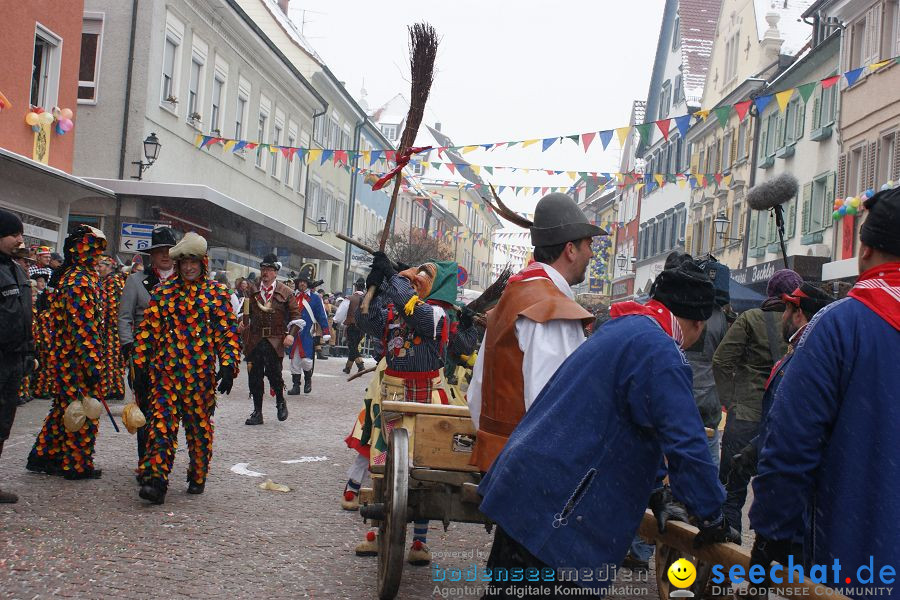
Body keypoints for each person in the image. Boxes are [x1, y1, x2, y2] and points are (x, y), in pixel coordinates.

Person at [477, 263, 739, 599]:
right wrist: (712, 514)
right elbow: (686, 442)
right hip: (561, 509)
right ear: (698, 323)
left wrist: (657, 488)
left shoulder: (622, 328)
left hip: (528, 490)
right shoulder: (661, 351)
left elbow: (634, 422)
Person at [749, 188, 900, 595]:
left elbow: (792, 440)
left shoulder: (838, 326)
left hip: (858, 563)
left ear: (864, 250)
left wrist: (771, 535)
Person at [468, 192, 602, 474]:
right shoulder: (551, 308)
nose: (591, 253)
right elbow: (554, 408)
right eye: (588, 244)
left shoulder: (515, 295)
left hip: (499, 459)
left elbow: (475, 393)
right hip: (532, 470)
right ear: (570, 249)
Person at [352, 256, 463, 565]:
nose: (417, 275)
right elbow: (367, 320)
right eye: (416, 271)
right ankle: (376, 534)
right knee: (381, 467)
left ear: (437, 285)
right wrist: (377, 285)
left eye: (424, 273)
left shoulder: (437, 314)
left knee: (424, 472)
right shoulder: (397, 311)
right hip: (392, 399)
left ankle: (419, 542)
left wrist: (396, 278)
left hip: (425, 402)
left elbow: (412, 308)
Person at [134, 233, 240, 504]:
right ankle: (156, 481)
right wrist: (140, 366)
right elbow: (148, 332)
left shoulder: (217, 294)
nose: (189, 268)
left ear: (202, 263)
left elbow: (226, 334)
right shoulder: (164, 292)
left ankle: (198, 474)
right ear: (178, 265)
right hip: (165, 375)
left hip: (200, 377)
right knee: (161, 427)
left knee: (198, 429)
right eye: (184, 263)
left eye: (193, 262)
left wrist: (228, 366)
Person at [712, 268, 800, 535]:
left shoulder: (750, 318)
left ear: (770, 292)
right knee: (773, 498)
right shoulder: (801, 324)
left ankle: (723, 566)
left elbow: (721, 361)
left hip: (746, 417)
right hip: (780, 423)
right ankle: (765, 564)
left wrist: (730, 399)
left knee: (731, 493)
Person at [728, 281, 835, 483]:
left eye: (786, 309)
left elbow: (795, 423)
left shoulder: (807, 357)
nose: (782, 316)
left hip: (789, 473)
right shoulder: (798, 352)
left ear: (798, 314)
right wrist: (757, 447)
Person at [26, 225, 107, 480]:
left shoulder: (77, 276)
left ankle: (44, 454)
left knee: (64, 406)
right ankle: (77, 463)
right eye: (92, 250)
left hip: (67, 355)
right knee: (83, 407)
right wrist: (92, 363)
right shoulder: (79, 279)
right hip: (77, 358)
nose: (97, 256)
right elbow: (84, 326)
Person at [118, 226, 177, 460]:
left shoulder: (184, 280)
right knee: (145, 409)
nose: (164, 255)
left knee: (170, 410)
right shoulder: (136, 281)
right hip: (144, 355)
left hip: (176, 356)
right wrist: (128, 346)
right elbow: (124, 318)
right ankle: (146, 459)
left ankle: (163, 458)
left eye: (169, 250)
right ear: (151, 255)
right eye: (159, 251)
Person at [242, 254, 302, 425]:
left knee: (274, 374)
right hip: (254, 339)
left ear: (276, 272)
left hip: (275, 340)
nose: (265, 273)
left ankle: (280, 402)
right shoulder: (252, 290)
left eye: (269, 270)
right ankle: (257, 412)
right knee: (254, 376)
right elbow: (244, 313)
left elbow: (296, 316)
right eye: (263, 269)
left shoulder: (286, 292)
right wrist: (242, 323)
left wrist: (291, 334)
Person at [0, 209, 34, 503]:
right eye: (14, 234)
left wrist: (29, 351)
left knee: (3, 422)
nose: (19, 240)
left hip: (14, 357)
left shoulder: (14, 268)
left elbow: (22, 314)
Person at [686, 254, 731, 465]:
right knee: (710, 452)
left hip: (685, 392)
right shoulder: (720, 317)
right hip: (710, 397)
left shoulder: (684, 311)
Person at [287, 268, 330, 395]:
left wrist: (326, 331)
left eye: (304, 282)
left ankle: (308, 380)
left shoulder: (316, 299)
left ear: (308, 284)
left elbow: (321, 316)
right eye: (300, 282)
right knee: (294, 361)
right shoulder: (292, 297)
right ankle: (296, 386)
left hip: (307, 333)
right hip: (294, 334)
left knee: (307, 361)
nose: (302, 284)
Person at [97, 256, 126, 401]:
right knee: (116, 360)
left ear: (109, 266)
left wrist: (101, 323)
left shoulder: (111, 281)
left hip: (111, 327)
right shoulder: (116, 279)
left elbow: (109, 306)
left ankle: (107, 389)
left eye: (101, 265)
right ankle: (117, 388)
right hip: (117, 326)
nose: (98, 268)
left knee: (109, 359)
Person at [334, 278, 367, 375]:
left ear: (356, 287)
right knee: (354, 346)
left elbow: (341, 311)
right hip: (363, 327)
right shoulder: (368, 299)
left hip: (352, 325)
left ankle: (360, 365)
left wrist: (336, 321)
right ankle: (348, 367)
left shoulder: (350, 298)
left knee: (352, 346)